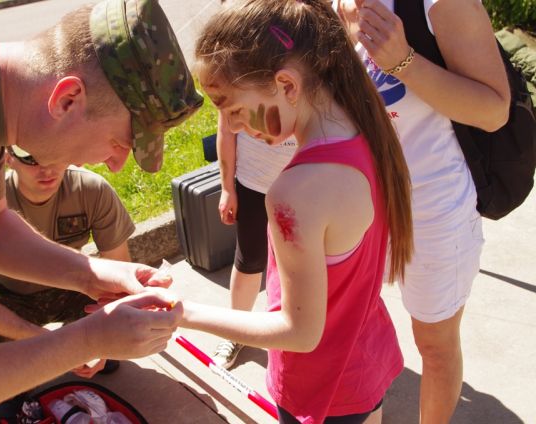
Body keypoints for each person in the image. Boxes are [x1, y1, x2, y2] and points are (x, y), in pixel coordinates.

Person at [0, 0, 203, 420]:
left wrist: (91, 274)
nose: (116, 164)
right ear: (68, 99)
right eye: (119, 142)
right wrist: (86, 340)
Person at [175, 0, 415, 422]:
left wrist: (182, 314)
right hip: (365, 364)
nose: (232, 128)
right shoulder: (366, 129)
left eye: (233, 110)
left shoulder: (296, 192)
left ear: (287, 85)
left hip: (321, 387)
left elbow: (299, 333)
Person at [333, 0, 511, 421]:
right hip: (356, 202)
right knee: (352, 328)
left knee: (434, 344)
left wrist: (403, 62)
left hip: (432, 208)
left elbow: (494, 111)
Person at [0, 151, 137, 379]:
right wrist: (48, 342)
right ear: (8, 157)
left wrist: (103, 341)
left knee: (131, 317)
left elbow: (121, 275)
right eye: (31, 159)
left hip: (74, 291)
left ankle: (90, 349)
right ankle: (18, 378)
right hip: (13, 298)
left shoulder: (91, 189)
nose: (46, 169)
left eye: (55, 154)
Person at [212, 123, 296, 369]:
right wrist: (227, 188)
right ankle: (236, 333)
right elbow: (226, 130)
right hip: (253, 183)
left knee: (302, 265)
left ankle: (298, 332)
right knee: (249, 259)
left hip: (303, 183)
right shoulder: (236, 95)